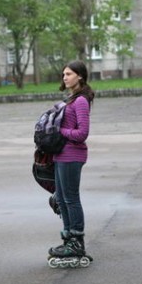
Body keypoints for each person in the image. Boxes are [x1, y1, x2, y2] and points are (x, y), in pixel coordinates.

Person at [47, 60, 94, 266]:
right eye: (63, 74)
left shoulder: (81, 100)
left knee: (71, 199)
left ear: (80, 76)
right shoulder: (71, 99)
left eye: (68, 74)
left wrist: (60, 130)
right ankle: (68, 239)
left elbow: (82, 133)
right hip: (61, 155)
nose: (65, 77)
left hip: (72, 155)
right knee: (62, 199)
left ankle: (77, 240)